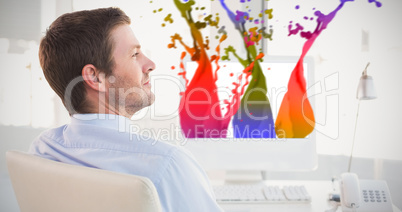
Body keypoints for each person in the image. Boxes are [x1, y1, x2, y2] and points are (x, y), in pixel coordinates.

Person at [29, 7, 223, 212]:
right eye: (135, 54)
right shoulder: (166, 165)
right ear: (95, 77)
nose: (150, 64)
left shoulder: (44, 149)